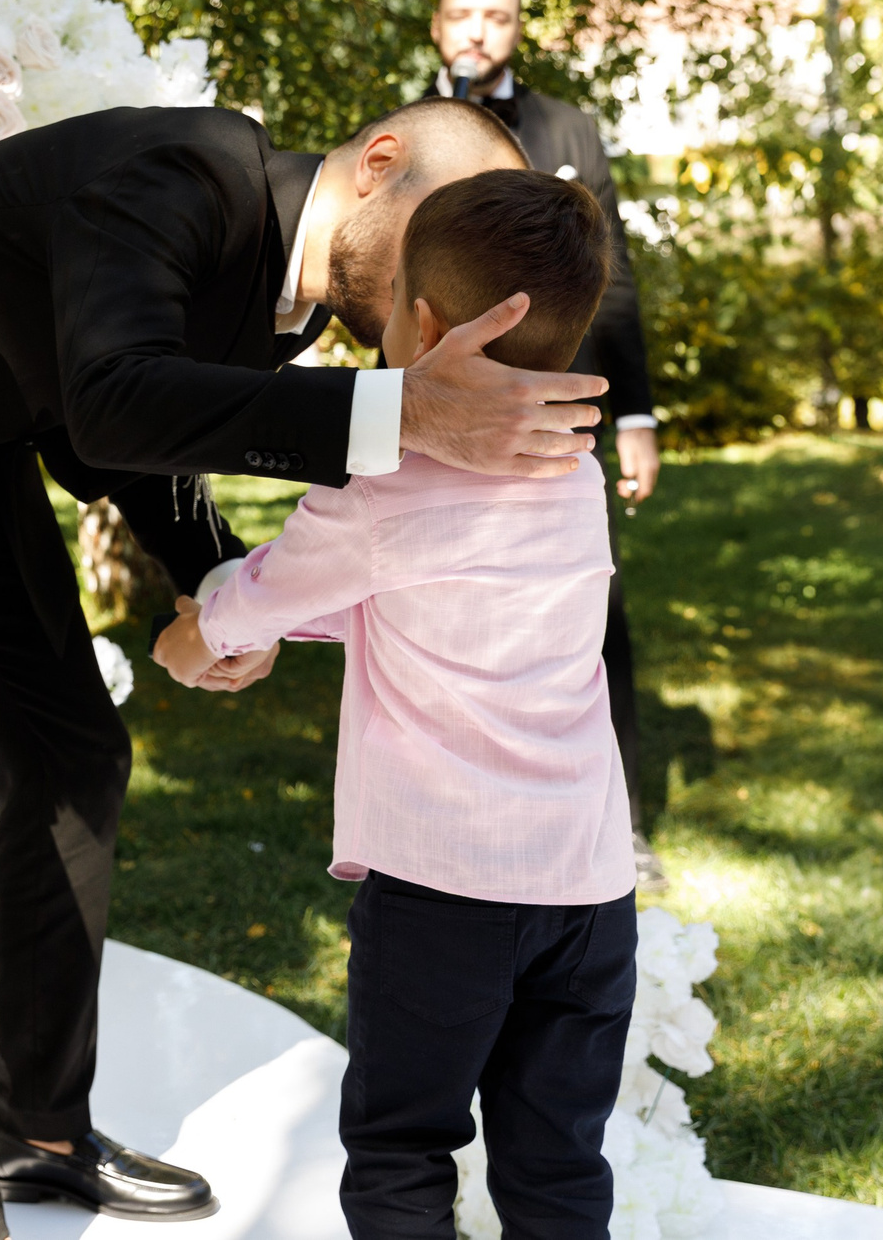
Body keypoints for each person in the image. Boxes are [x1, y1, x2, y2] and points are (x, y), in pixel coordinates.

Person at [0, 98, 611, 1240]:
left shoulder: (296, 298)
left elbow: (126, 426)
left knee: (74, 755)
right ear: (379, 164)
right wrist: (402, 412)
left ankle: (40, 1136)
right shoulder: (179, 174)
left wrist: (214, 585)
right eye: (451, 221)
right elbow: (117, 400)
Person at [156, 168, 636, 1240]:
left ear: (418, 325)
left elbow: (268, 595)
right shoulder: (574, 475)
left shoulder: (381, 491)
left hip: (443, 892)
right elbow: (440, 594)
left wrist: (195, 636)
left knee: (402, 1147)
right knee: (557, 1161)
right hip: (587, 886)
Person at [430, 0, 664, 886]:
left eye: (498, 15)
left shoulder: (572, 129)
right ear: (437, 25)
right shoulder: (404, 131)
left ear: (519, 28)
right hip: (433, 409)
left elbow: (615, 282)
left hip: (562, 414)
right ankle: (454, 827)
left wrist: (638, 411)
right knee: (436, 611)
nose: (479, 30)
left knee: (587, 614)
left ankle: (620, 825)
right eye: (463, 14)